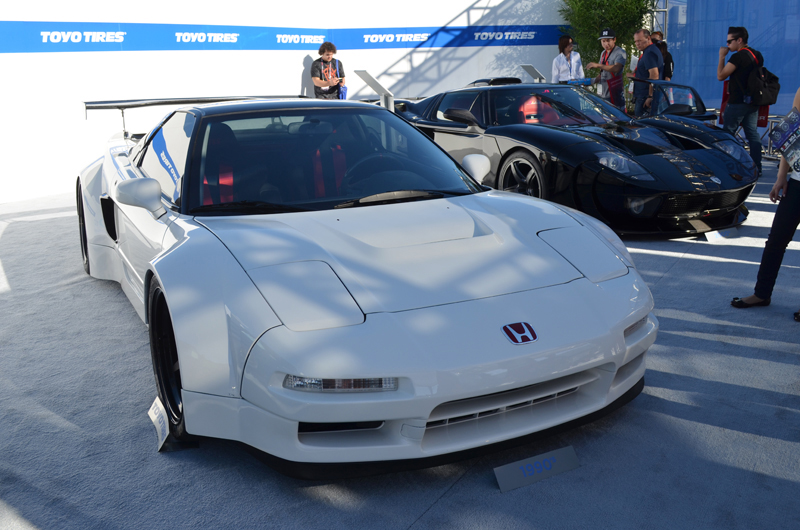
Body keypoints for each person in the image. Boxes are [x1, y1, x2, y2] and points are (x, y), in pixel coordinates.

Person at [731, 85, 800, 321]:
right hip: (797, 181)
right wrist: (781, 177)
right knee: (776, 240)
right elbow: (791, 134)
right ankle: (761, 294)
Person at [717, 26, 764, 176]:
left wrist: (722, 57)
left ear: (739, 40)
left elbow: (721, 76)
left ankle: (727, 165)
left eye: (729, 41)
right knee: (752, 134)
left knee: (728, 134)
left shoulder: (738, 57)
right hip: (753, 101)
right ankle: (757, 167)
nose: (727, 45)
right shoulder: (757, 55)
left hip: (737, 101)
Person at [587, 28, 627, 109]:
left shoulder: (620, 52)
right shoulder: (603, 53)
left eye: (608, 40)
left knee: (616, 115)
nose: (606, 43)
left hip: (614, 94)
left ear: (614, 39)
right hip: (603, 94)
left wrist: (598, 65)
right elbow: (602, 73)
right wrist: (590, 81)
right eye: (603, 41)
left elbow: (616, 68)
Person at [627, 29, 663, 116]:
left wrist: (650, 96)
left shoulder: (649, 53)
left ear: (648, 38)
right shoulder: (649, 51)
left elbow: (654, 75)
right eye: (635, 41)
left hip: (645, 96)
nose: (637, 44)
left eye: (639, 41)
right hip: (643, 94)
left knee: (642, 121)